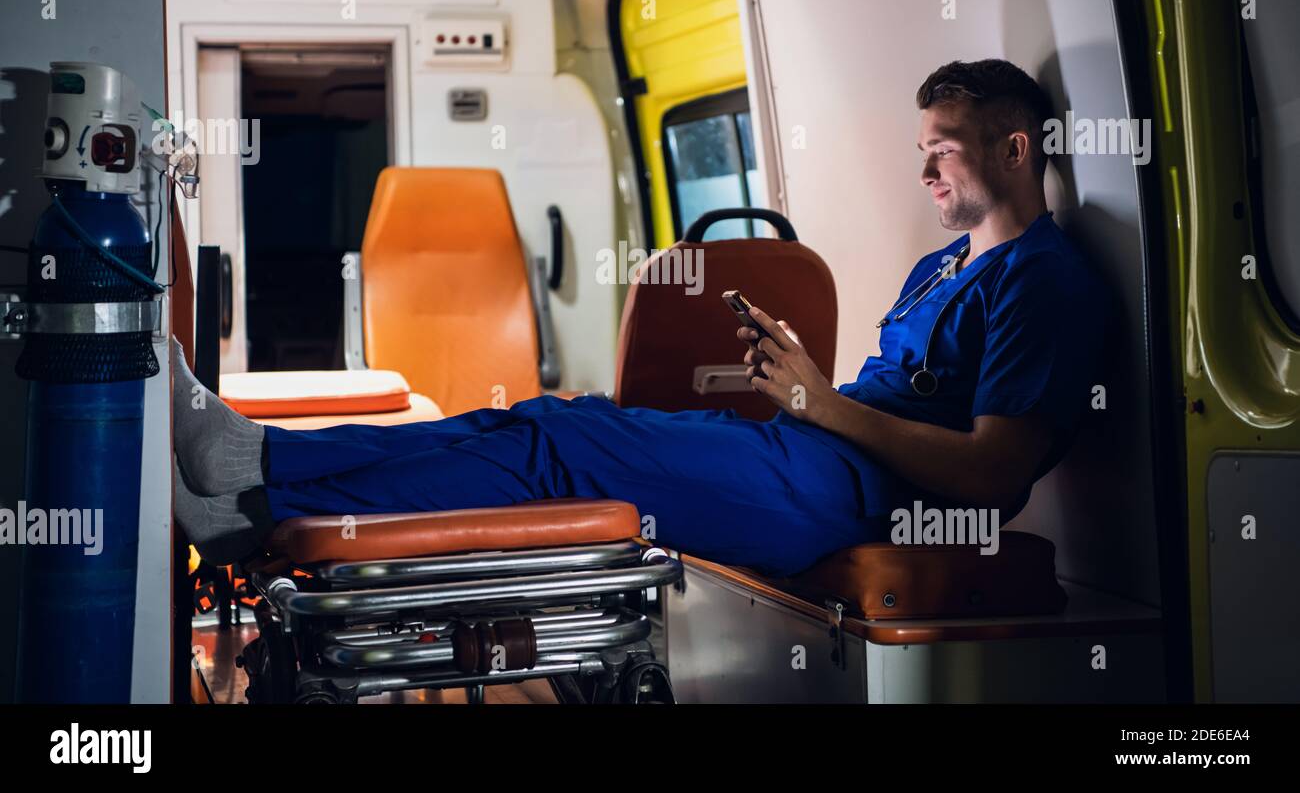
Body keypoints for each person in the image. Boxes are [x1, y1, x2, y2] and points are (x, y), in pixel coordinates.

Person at [172, 59, 1110, 577]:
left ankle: (257, 506)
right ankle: (255, 460)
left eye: (941, 152)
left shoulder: (1043, 283)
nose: (925, 174)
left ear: (1016, 149)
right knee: (547, 417)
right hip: (810, 454)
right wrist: (804, 396)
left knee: (560, 457)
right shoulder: (944, 264)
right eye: (923, 153)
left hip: (851, 500)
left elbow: (992, 479)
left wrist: (823, 406)